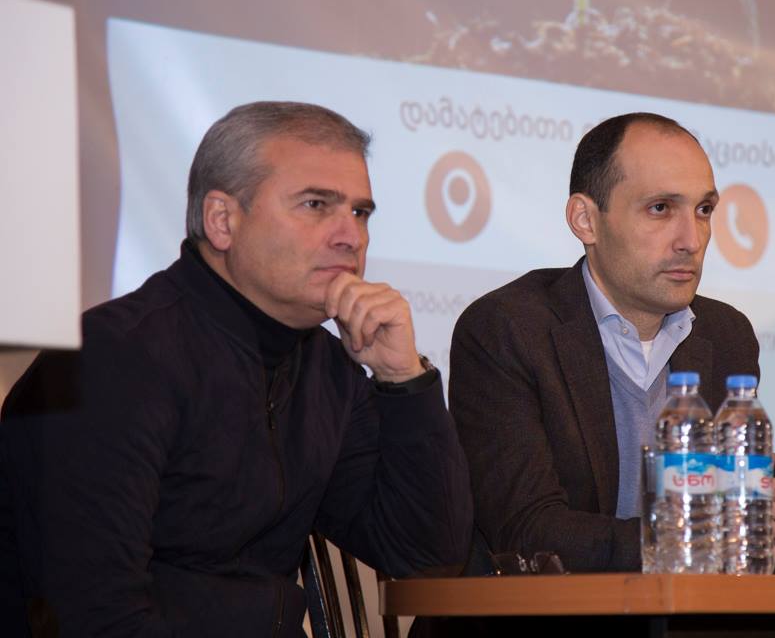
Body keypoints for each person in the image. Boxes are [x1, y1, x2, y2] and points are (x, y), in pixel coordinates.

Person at [0, 102, 472, 636]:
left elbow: (426, 556)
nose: (351, 236)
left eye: (361, 212)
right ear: (222, 221)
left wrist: (403, 378)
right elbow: (93, 615)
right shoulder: (112, 359)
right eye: (316, 204)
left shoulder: (328, 368)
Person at [449, 112, 775, 574]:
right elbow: (528, 532)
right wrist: (703, 542)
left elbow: (737, 528)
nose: (692, 240)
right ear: (586, 220)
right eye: (661, 208)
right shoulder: (508, 329)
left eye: (703, 210)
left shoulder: (725, 335)